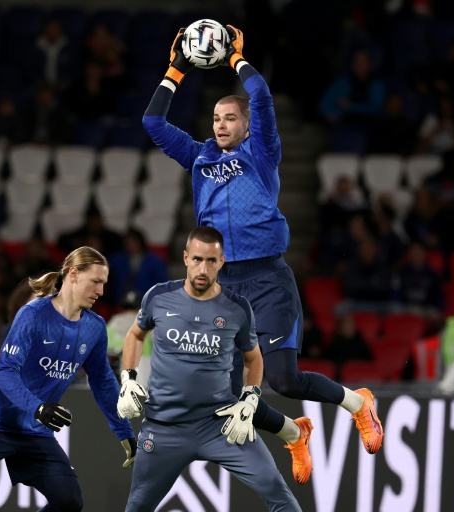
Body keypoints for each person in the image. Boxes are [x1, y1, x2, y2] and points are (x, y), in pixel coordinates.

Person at [142, 24, 384, 461]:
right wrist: (176, 69)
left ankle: (358, 403)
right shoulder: (198, 157)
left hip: (267, 278)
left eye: (230, 117)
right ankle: (295, 435)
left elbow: (262, 96)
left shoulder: (262, 151)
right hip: (223, 286)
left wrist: (236, 57)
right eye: (215, 118)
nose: (220, 124)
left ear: (248, 124)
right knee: (224, 394)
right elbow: (153, 121)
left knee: (285, 381)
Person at [0, 246, 136, 512]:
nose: (101, 291)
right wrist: (38, 407)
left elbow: (102, 382)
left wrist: (124, 430)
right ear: (74, 274)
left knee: (68, 501)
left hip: (34, 429)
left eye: (103, 284)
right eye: (96, 282)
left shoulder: (95, 327)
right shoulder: (33, 315)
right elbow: (5, 371)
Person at [118, 227, 306, 510]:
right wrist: (128, 378)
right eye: (196, 259)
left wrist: (250, 397)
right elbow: (134, 335)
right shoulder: (158, 296)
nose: (202, 268)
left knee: (275, 488)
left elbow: (253, 358)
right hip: (164, 428)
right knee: (137, 507)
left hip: (221, 424)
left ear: (222, 261)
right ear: (185, 258)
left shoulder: (237, 308)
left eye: (211, 261)